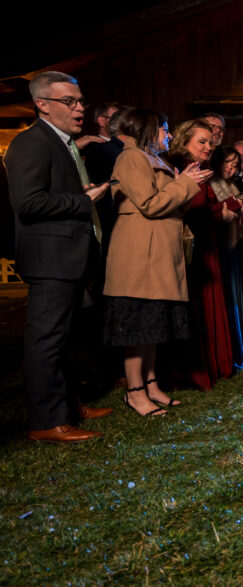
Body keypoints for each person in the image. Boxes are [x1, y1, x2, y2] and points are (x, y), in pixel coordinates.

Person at [4, 71, 112, 441]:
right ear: (43, 105)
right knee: (46, 340)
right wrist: (84, 200)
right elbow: (28, 202)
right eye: (70, 102)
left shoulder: (63, 142)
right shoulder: (31, 143)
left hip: (70, 255)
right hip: (51, 258)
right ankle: (46, 422)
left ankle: (68, 405)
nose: (80, 107)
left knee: (64, 338)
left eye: (80, 100)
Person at [103, 109, 210, 415]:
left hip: (157, 255)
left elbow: (171, 205)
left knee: (151, 328)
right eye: (165, 129)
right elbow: (150, 205)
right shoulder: (132, 157)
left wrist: (187, 185)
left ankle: (151, 386)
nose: (170, 135)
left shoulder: (155, 160)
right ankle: (134, 392)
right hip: (140, 258)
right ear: (149, 130)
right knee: (137, 330)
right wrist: (186, 183)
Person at [167, 120, 237, 389]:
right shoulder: (179, 168)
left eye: (210, 142)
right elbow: (188, 211)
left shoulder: (200, 169)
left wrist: (223, 209)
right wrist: (221, 212)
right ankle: (193, 371)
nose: (209, 146)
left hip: (208, 247)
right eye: (202, 141)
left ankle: (215, 363)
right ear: (185, 140)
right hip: (191, 252)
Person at [208, 145, 243, 369]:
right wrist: (236, 205)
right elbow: (214, 209)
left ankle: (238, 349)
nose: (232, 169)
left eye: (235, 165)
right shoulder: (211, 182)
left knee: (235, 296)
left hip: (233, 245)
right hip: (219, 245)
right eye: (228, 164)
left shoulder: (233, 185)